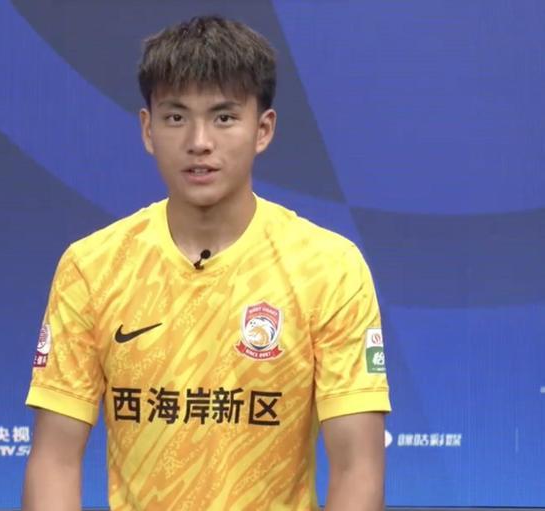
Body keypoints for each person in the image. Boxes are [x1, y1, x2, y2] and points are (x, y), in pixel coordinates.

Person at [22, 15, 391, 511]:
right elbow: (55, 460)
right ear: (148, 129)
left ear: (263, 129)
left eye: (224, 117)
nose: (199, 141)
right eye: (176, 118)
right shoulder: (92, 268)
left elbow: (357, 467)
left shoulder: (329, 268)